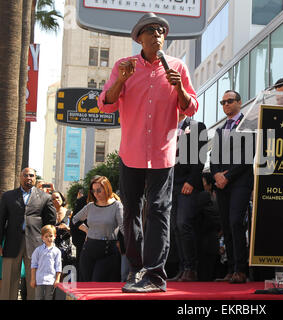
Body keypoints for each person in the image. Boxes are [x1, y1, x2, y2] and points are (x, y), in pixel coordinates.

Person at [97, 12, 198, 293]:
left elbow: (191, 108)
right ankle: (135, 270)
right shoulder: (124, 66)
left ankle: (155, 277)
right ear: (139, 37)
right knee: (131, 213)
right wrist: (121, 80)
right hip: (131, 152)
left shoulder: (177, 67)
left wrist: (179, 87)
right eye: (151, 30)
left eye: (162, 31)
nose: (158, 35)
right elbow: (105, 105)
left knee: (158, 210)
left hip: (163, 153)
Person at [210, 90, 254, 284]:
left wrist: (227, 175)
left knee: (236, 223)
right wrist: (216, 175)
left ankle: (241, 270)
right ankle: (230, 270)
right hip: (222, 184)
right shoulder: (220, 129)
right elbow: (213, 158)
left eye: (229, 101)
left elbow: (248, 156)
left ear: (239, 102)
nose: (226, 105)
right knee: (226, 226)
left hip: (240, 182)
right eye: (223, 102)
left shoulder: (248, 124)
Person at [0, 168, 56, 300]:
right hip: (12, 243)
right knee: (9, 279)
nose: (28, 178)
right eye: (25, 175)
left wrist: (47, 243)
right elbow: (1, 220)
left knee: (34, 280)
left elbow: (50, 222)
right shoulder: (8, 196)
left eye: (31, 175)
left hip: (36, 244)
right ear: (20, 177)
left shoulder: (45, 197)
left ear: (35, 178)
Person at [169, 113, 207, 282]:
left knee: (183, 223)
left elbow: (200, 156)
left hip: (187, 183)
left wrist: (191, 181)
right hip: (169, 184)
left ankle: (191, 268)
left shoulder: (198, 126)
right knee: (175, 227)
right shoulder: (165, 126)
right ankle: (182, 268)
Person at [72, 176, 124, 282]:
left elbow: (124, 228)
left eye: (99, 190)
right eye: (93, 191)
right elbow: (75, 219)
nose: (96, 194)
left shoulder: (117, 206)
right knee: (86, 284)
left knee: (97, 282)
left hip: (108, 251)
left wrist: (126, 244)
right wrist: (87, 230)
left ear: (107, 189)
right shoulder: (90, 206)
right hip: (88, 250)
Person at [30, 225, 62, 300]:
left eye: (51, 236)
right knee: (38, 297)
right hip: (39, 279)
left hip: (51, 280)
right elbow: (33, 265)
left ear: (55, 236)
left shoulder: (57, 251)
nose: (48, 238)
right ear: (42, 237)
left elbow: (58, 266)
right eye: (46, 236)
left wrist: (57, 279)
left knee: (49, 297)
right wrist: (33, 279)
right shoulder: (38, 250)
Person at [51, 191, 74, 268]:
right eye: (53, 199)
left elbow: (75, 232)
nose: (56, 200)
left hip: (66, 249)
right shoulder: (50, 214)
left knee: (65, 272)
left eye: (57, 197)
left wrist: (67, 228)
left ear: (62, 198)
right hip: (52, 248)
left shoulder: (69, 213)